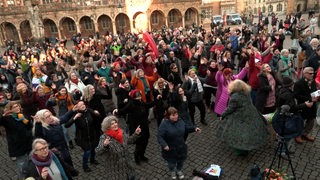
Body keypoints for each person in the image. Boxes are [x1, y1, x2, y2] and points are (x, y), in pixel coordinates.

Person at [216, 80, 270, 156]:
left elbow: (230, 109)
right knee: (248, 131)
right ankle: (246, 147)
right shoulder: (246, 92)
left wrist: (223, 115)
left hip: (240, 117)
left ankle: (241, 150)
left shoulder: (235, 97)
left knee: (239, 133)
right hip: (251, 113)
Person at [157, 107, 201, 179]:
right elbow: (160, 136)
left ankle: (179, 170)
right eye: (173, 115)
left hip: (181, 147)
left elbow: (185, 128)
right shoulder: (164, 124)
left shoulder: (180, 120)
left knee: (181, 161)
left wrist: (194, 128)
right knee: (171, 163)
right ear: (168, 116)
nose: (176, 116)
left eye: (176, 114)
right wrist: (164, 145)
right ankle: (172, 171)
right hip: (170, 149)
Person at [113, 89, 154, 165]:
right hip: (137, 128)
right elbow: (123, 110)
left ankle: (142, 156)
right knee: (139, 144)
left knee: (145, 142)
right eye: (137, 96)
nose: (139, 97)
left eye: (139, 95)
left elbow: (148, 105)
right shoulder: (131, 104)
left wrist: (157, 100)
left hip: (145, 126)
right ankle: (137, 158)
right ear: (134, 97)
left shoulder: (141, 102)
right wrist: (117, 111)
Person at [95, 115, 141, 180]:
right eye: (112, 124)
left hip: (129, 169)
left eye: (115, 122)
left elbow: (128, 141)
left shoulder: (121, 132)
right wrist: (105, 146)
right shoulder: (104, 137)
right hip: (117, 173)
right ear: (108, 127)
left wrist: (136, 134)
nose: (115, 124)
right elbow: (98, 152)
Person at [64, 101, 100, 172]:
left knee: (93, 148)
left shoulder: (89, 110)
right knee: (87, 151)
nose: (83, 106)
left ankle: (92, 160)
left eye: (83, 104)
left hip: (92, 135)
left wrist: (97, 114)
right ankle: (85, 166)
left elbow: (97, 117)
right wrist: (75, 118)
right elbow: (66, 125)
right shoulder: (76, 114)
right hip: (83, 137)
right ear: (77, 107)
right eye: (80, 105)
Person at [0, 101, 33, 178]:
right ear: (10, 109)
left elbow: (29, 126)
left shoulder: (22, 116)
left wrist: (25, 120)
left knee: (31, 161)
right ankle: (24, 178)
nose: (17, 108)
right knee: (22, 164)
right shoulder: (7, 119)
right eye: (14, 107)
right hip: (17, 145)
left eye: (18, 106)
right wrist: (3, 116)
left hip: (28, 142)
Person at [294, 67, 319, 143]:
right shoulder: (298, 83)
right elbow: (296, 95)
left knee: (311, 121)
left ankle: (305, 134)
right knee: (301, 121)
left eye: (313, 73)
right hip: (303, 105)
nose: (312, 75)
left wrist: (317, 94)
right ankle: (297, 135)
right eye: (310, 73)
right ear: (304, 74)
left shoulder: (313, 81)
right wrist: (310, 99)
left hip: (313, 105)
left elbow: (314, 91)